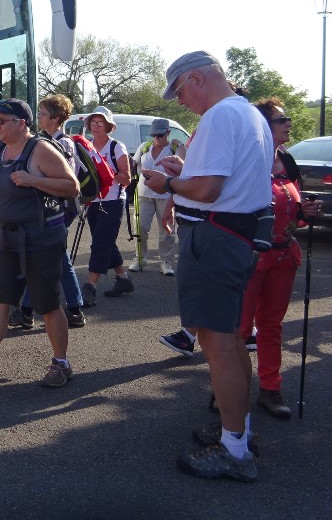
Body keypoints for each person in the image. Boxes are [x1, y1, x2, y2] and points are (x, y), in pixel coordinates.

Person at [141, 51, 273, 482]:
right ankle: (239, 431)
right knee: (232, 339)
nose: (179, 102)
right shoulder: (248, 113)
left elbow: (209, 189)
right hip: (236, 238)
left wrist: (169, 182)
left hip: (214, 238)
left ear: (197, 78)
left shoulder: (219, 116)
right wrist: (188, 172)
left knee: (217, 344)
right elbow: (224, 177)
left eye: (179, 91)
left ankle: (235, 450)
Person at [0, 98, 80, 387]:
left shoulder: (41, 149)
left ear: (21, 124)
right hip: (7, 237)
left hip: (41, 237)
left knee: (46, 304)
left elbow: (72, 186)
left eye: (1, 121)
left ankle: (61, 364)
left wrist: (33, 180)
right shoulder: (0, 149)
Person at [237, 98, 321, 419]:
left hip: (284, 256)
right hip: (248, 258)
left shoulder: (287, 161)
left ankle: (270, 389)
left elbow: (294, 212)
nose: (288, 123)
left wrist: (305, 211)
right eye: (281, 119)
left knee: (271, 326)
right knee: (239, 328)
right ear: (262, 126)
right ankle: (229, 390)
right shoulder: (245, 161)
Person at [12, 94, 87, 329]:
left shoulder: (64, 144)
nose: (40, 117)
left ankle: (30, 311)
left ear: (55, 118)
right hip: (50, 208)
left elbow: (66, 180)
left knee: (44, 258)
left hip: (57, 209)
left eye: (43, 114)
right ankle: (72, 309)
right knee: (53, 258)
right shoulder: (46, 140)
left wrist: (32, 178)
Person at [80, 106, 133, 305]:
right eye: (93, 122)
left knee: (100, 243)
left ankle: (90, 287)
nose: (96, 125)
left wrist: (107, 172)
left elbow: (126, 179)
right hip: (93, 201)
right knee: (106, 241)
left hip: (112, 202)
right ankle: (123, 279)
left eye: (100, 122)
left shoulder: (116, 147)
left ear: (109, 125)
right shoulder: (87, 146)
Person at [130, 118, 182, 276]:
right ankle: (140, 258)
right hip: (144, 194)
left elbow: (182, 164)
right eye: (154, 135)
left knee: (166, 229)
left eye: (160, 135)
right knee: (140, 227)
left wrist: (179, 145)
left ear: (168, 132)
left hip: (166, 195)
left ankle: (166, 261)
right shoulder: (144, 147)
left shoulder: (174, 148)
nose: (157, 138)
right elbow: (133, 165)